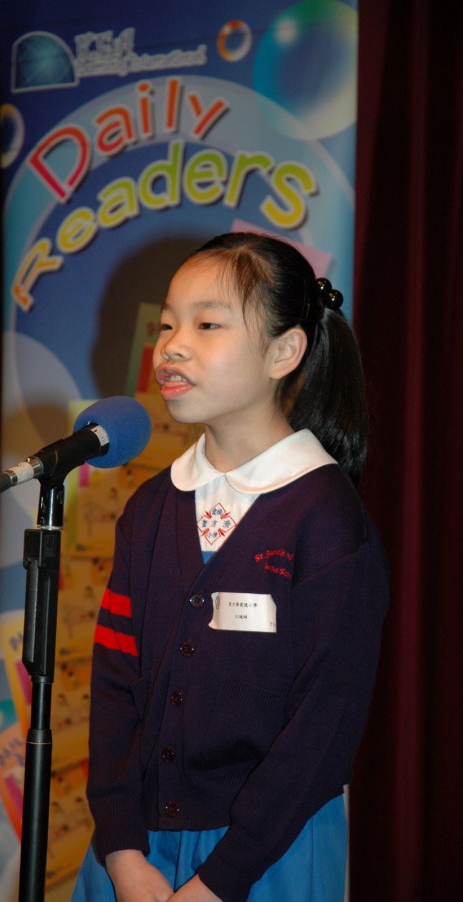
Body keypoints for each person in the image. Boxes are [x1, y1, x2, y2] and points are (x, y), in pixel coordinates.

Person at [72, 233, 389, 902]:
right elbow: (113, 686)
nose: (173, 345)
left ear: (285, 350)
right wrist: (124, 852)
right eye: (166, 325)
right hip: (136, 858)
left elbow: (325, 721)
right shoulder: (151, 508)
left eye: (208, 324)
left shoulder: (327, 518)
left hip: (266, 856)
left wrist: (220, 880)